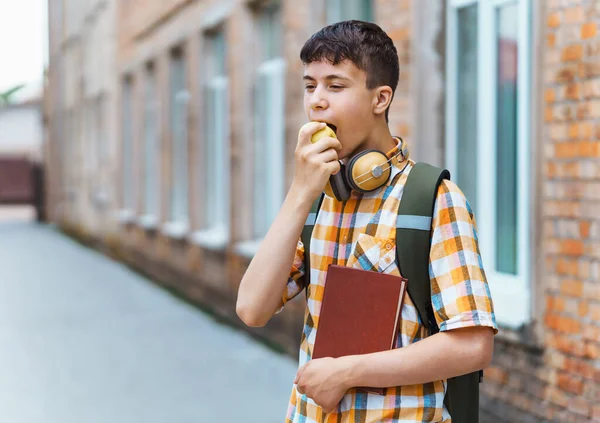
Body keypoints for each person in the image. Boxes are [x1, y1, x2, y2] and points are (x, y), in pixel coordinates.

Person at [236, 20, 497, 423]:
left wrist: (348, 371)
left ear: (380, 99)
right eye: (310, 85)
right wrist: (299, 193)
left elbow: (473, 345)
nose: (317, 102)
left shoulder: (433, 200)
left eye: (335, 86)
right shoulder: (317, 197)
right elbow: (252, 309)